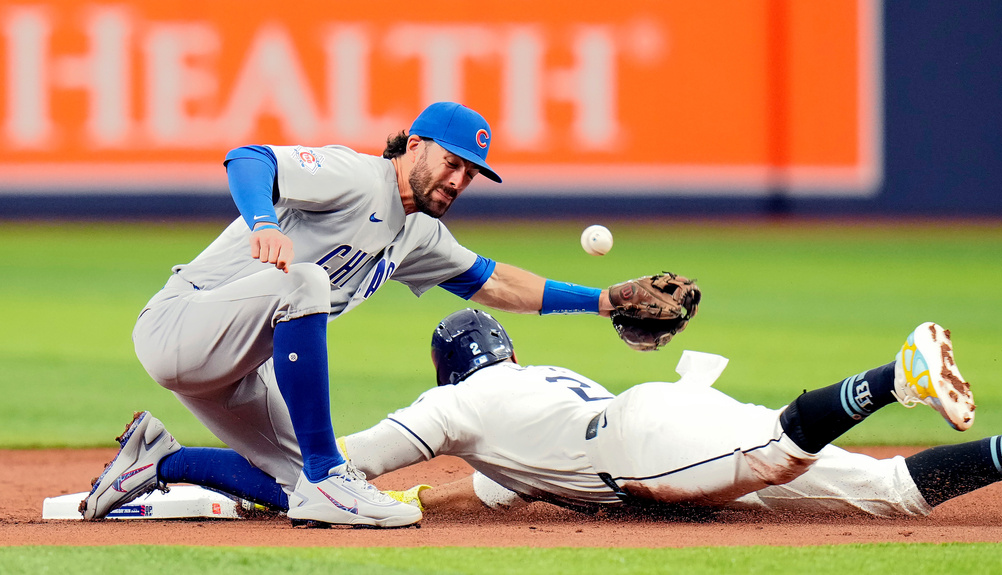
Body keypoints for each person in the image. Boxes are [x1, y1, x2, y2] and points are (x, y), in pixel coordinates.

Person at [79, 102, 640, 528]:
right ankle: (328, 475)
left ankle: (158, 461)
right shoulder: (357, 176)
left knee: (300, 488)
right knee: (305, 279)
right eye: (452, 162)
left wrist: (606, 301)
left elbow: (496, 282)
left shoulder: (420, 233)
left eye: (470, 173)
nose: (458, 180)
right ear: (414, 145)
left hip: (236, 366)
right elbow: (248, 159)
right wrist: (263, 224)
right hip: (178, 325)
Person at [334, 309, 1002, 519]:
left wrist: (276, 483)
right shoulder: (534, 389)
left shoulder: (458, 403)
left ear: (444, 368)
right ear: (508, 349)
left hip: (644, 448)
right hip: (670, 411)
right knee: (891, 493)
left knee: (778, 448)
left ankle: (896, 377)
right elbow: (485, 489)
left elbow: (350, 455)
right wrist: (421, 495)